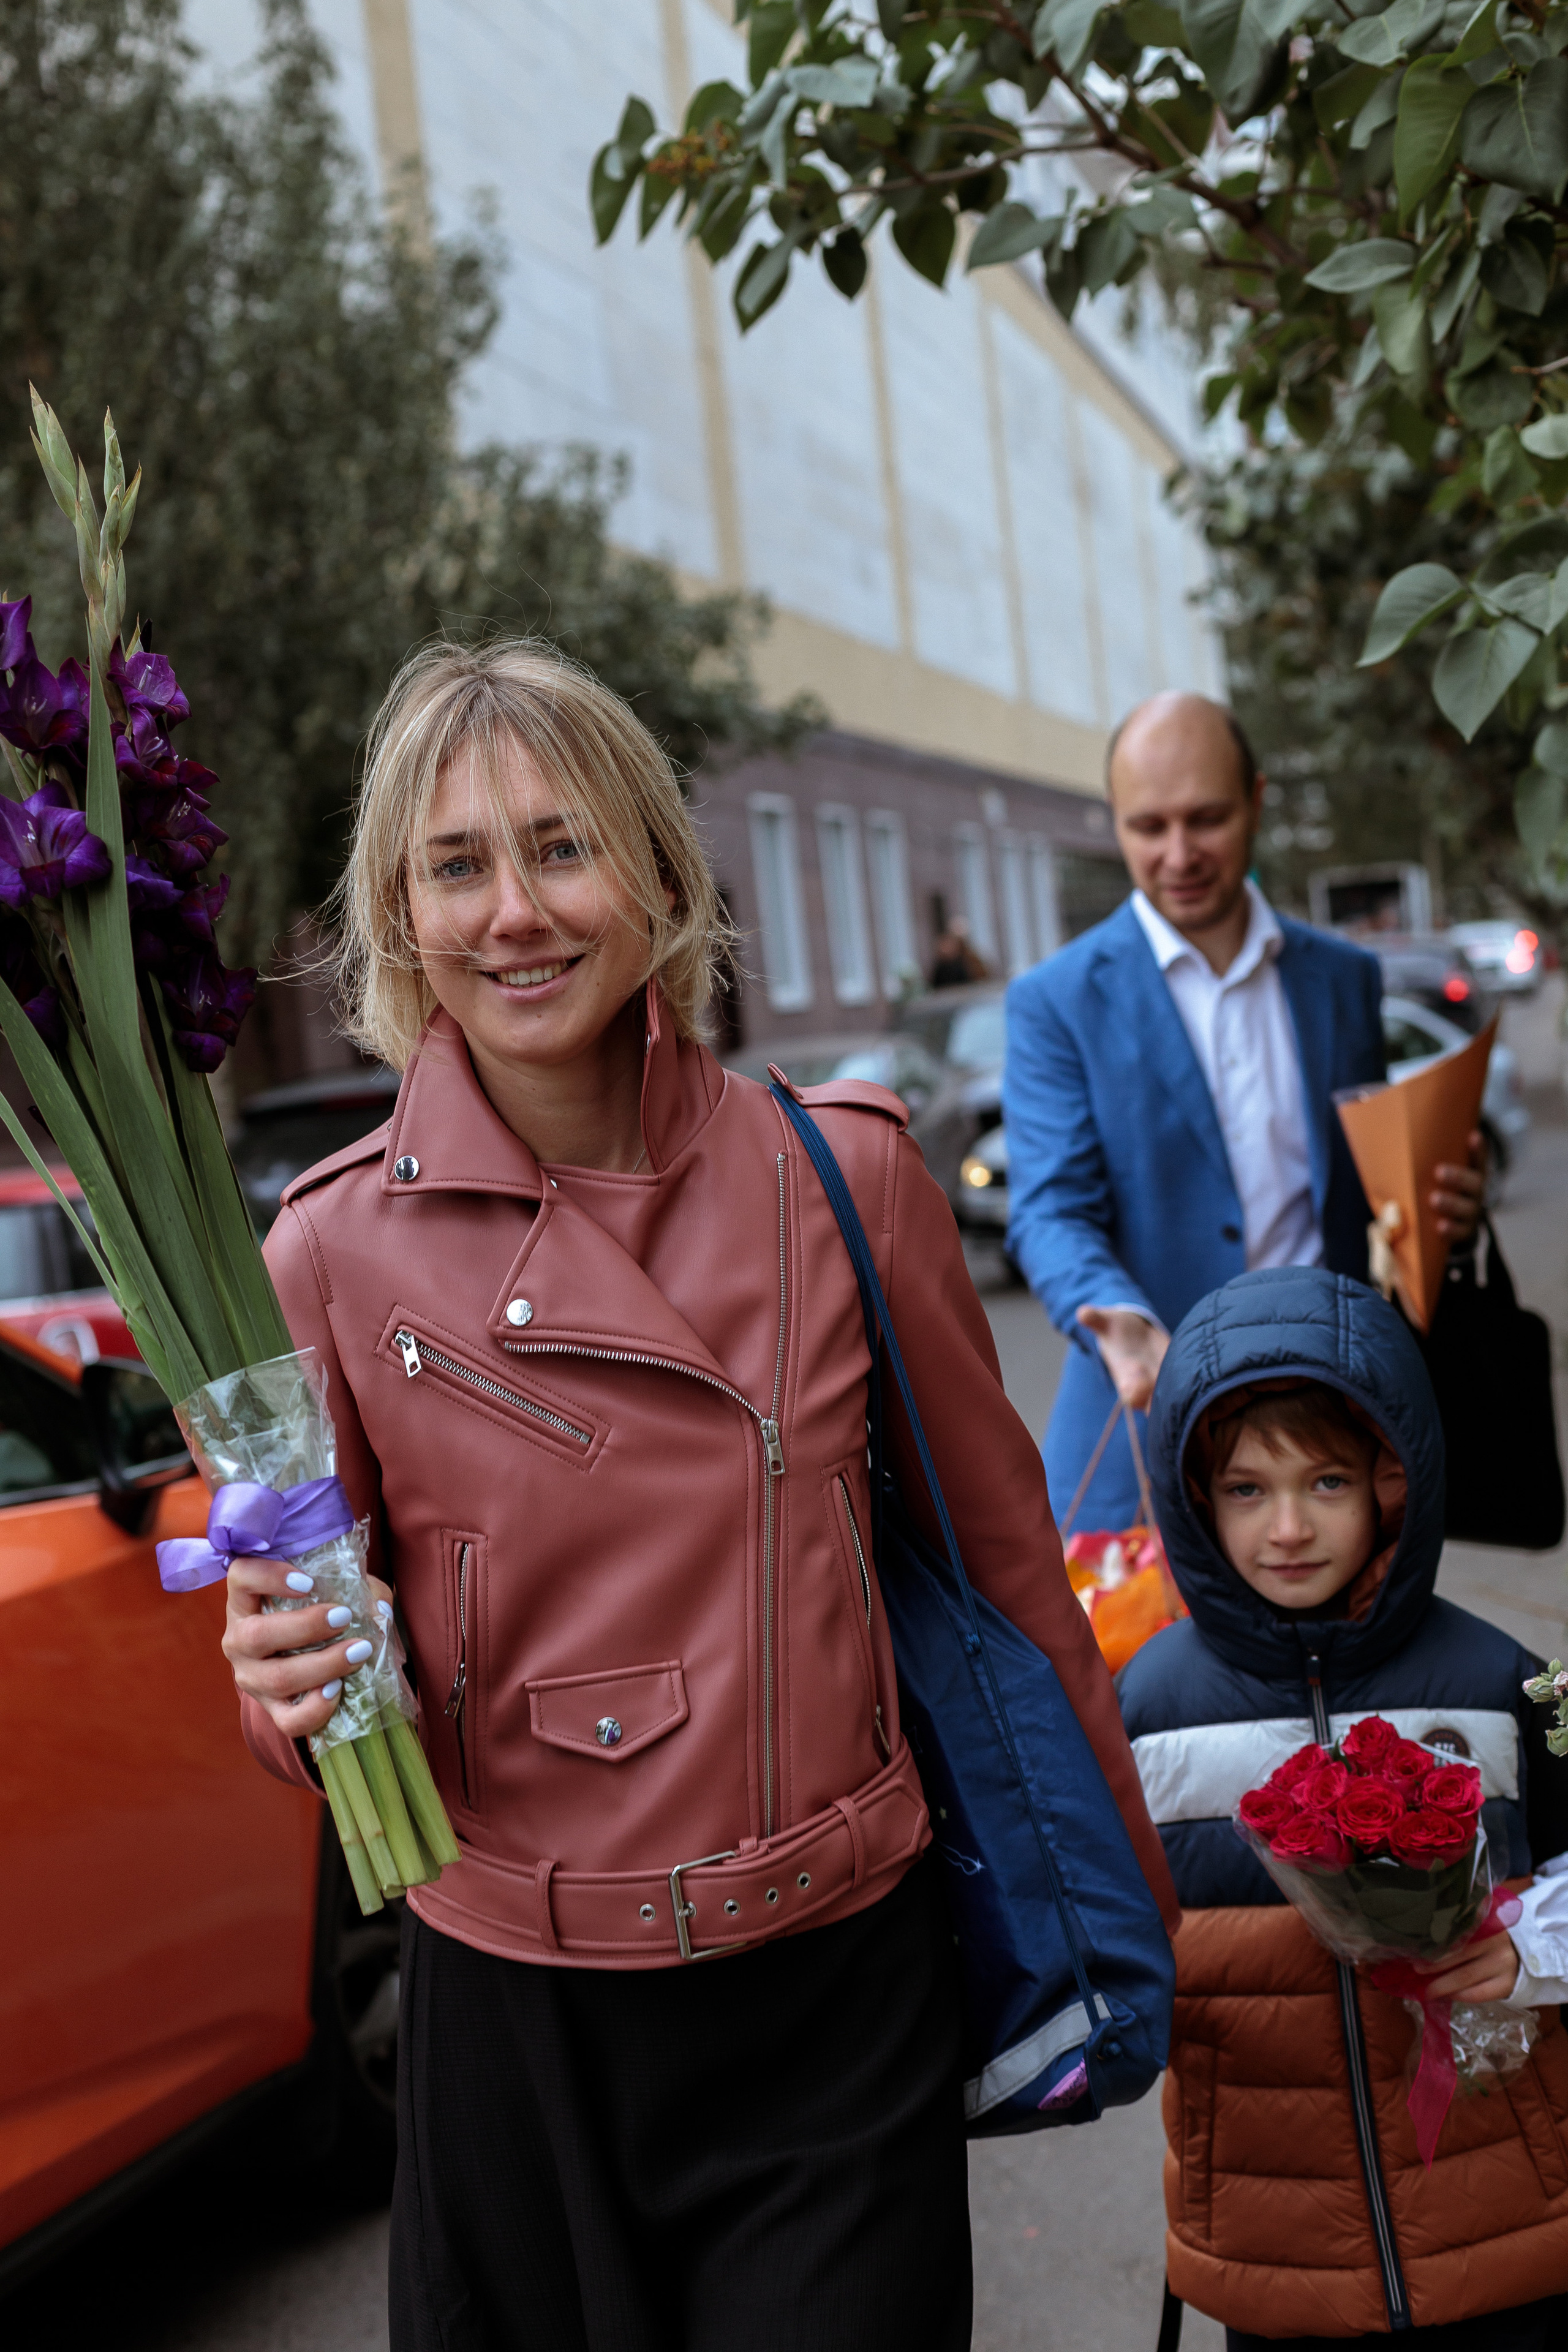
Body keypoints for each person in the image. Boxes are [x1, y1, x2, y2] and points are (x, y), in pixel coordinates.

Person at [218, 640, 1177, 2352]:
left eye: (564, 845)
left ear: (659, 871)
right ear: (398, 909)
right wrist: (278, 1690)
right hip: (515, 2028)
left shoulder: (850, 1178)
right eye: (457, 862)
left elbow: (1022, 1591)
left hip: (829, 2003)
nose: (515, 909)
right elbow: (317, 1681)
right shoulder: (326, 1252)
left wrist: (1135, 1924)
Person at [1120, 1262, 1568, 2348]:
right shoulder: (1143, 1708)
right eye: (1245, 1489)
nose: (1287, 1529)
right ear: (1194, 1498)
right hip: (1279, 2229)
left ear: (1392, 1482)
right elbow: (1104, 1931)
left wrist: (1535, 1948)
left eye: (1325, 1483)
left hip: (1499, 2209)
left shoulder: (1514, 1681)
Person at [1001, 692, 1485, 1531]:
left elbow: (1371, 1200)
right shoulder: (1055, 1001)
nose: (1179, 854)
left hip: (1333, 1432)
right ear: (1115, 822)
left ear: (1258, 803)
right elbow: (1048, 1210)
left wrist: (1446, 1209)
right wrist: (1115, 1316)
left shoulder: (1344, 978)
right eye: (1148, 828)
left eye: (1208, 819)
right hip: (1148, 1443)